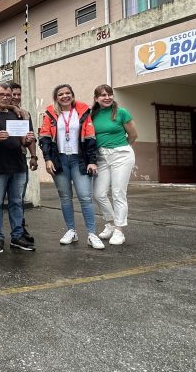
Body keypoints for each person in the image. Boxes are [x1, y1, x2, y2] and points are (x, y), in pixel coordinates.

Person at [38, 84, 103, 250]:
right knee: (65, 198)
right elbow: (44, 138)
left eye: (68, 93)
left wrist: (92, 160)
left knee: (85, 197)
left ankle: (91, 234)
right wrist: (47, 159)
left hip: (79, 160)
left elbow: (90, 138)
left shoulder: (82, 112)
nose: (65, 96)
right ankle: (71, 231)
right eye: (61, 94)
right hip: (59, 160)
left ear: (72, 95)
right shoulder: (50, 114)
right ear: (56, 97)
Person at [0, 82, 38, 253]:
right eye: (2, 95)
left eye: (9, 95)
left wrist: (27, 141)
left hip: (18, 166)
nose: (6, 98)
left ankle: (17, 236)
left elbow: (23, 140)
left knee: (16, 203)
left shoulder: (18, 115)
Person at [91, 84, 138, 246]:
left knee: (118, 192)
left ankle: (119, 230)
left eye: (110, 94)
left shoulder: (121, 112)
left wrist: (121, 148)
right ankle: (110, 223)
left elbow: (133, 135)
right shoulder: (93, 114)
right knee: (98, 193)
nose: (107, 97)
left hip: (121, 155)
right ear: (96, 99)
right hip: (101, 156)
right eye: (103, 95)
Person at [9, 82, 37, 244]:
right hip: (1, 163)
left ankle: (20, 229)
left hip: (20, 160)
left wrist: (34, 156)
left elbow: (30, 135)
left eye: (19, 94)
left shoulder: (25, 114)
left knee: (18, 198)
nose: (16, 97)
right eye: (14, 94)